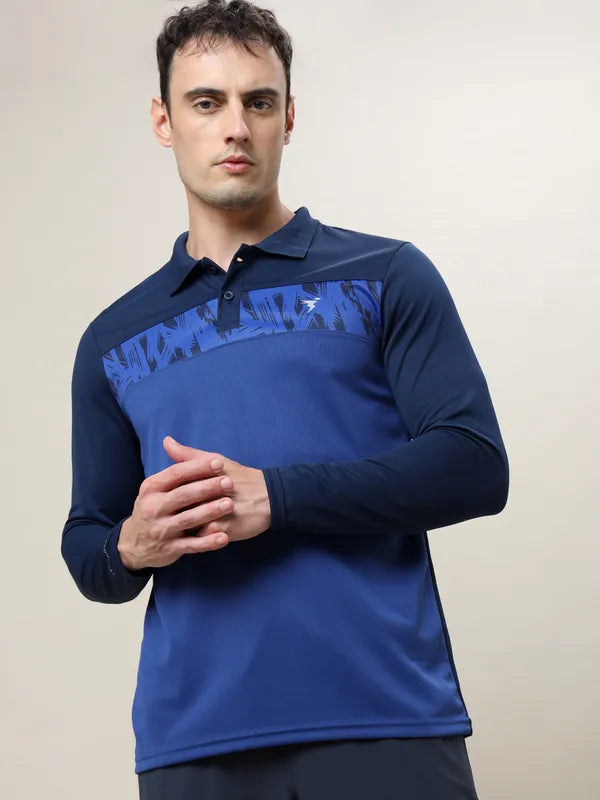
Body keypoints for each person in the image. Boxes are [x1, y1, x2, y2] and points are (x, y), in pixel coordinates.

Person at [61, 1, 509, 798]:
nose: (235, 127)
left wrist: (278, 495)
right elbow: (88, 543)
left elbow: (474, 465)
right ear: (164, 121)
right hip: (193, 743)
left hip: (386, 717)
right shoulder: (112, 339)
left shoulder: (385, 275)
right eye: (207, 102)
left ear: (289, 118)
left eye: (258, 102)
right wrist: (131, 544)